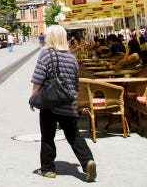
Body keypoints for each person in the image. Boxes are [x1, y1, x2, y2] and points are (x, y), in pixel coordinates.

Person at [30, 25, 96, 182]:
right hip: (69, 102)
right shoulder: (71, 58)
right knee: (74, 135)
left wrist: (33, 98)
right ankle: (87, 162)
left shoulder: (46, 54)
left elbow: (38, 78)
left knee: (47, 136)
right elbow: (76, 83)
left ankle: (48, 169)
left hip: (50, 103)